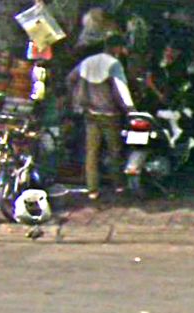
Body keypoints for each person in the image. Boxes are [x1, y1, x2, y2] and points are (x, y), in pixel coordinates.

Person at [67, 33, 135, 200]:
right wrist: (131, 110)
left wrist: (76, 98)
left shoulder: (88, 61)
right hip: (110, 114)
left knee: (91, 152)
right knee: (114, 150)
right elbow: (122, 90)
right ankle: (118, 185)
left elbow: (70, 79)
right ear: (117, 48)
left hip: (90, 112)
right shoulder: (114, 64)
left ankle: (92, 189)